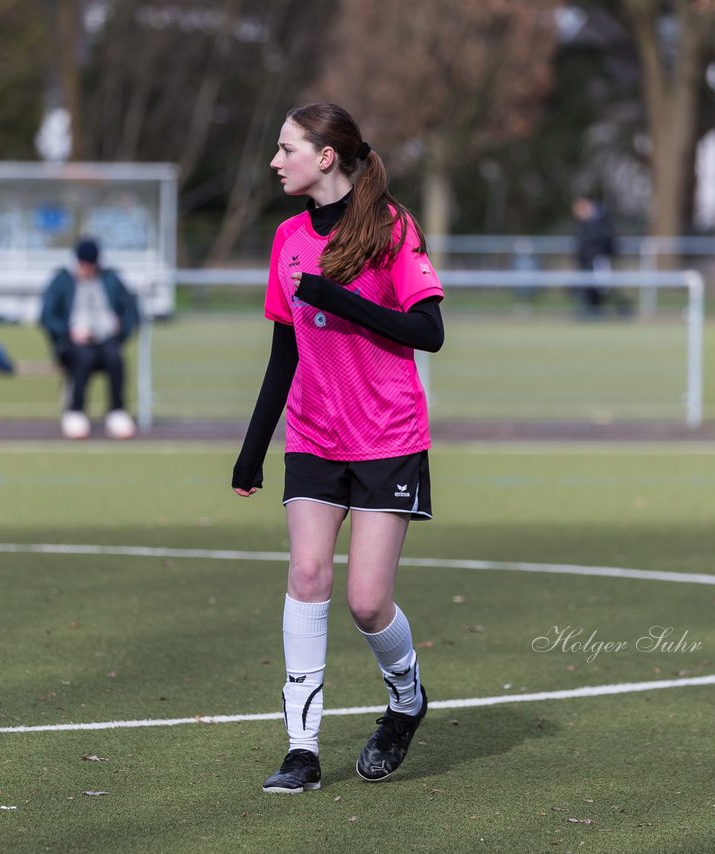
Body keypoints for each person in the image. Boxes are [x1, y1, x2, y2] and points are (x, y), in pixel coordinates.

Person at [232, 103, 445, 794]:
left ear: (325, 156)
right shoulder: (287, 237)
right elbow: (283, 352)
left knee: (365, 601)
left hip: (386, 437)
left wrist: (337, 297)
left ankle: (406, 699)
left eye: (286, 147)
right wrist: (252, 447)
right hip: (314, 436)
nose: (275, 160)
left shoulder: (391, 226)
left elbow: (429, 330)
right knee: (308, 575)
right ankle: (302, 750)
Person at [39, 237, 140, 439]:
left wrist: (121, 330)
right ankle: (75, 412)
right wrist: (69, 331)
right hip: (72, 342)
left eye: (91, 265)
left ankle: (117, 412)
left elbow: (133, 310)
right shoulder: (62, 280)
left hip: (106, 339)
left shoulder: (110, 278)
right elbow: (46, 316)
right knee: (83, 357)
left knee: (115, 357)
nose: (87, 269)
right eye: (84, 265)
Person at [572, 194, 623, 317]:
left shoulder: (600, 221)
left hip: (598, 260)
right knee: (589, 288)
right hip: (587, 261)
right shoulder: (587, 223)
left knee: (602, 289)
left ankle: (620, 309)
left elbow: (606, 241)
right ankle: (592, 311)